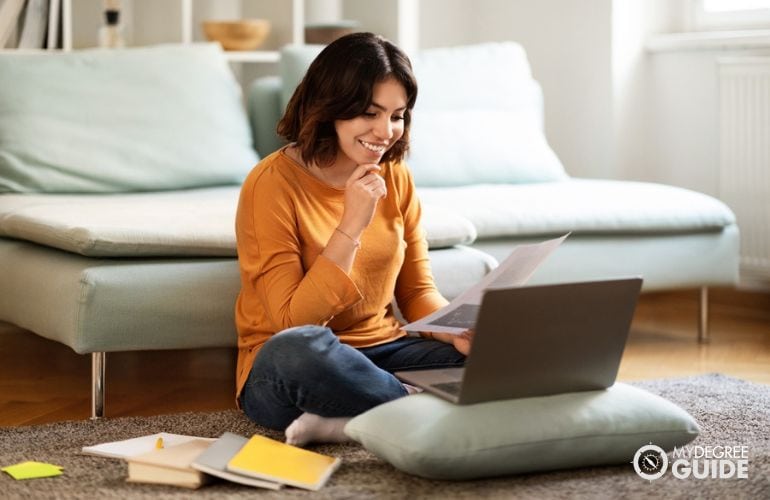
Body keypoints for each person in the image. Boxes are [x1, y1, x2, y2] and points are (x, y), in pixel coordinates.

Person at [234, 32, 473, 447]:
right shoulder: (270, 184)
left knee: (504, 357)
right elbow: (293, 324)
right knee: (296, 350)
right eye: (369, 113)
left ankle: (350, 420)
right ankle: (419, 407)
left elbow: (417, 292)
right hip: (297, 364)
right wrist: (352, 224)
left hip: (386, 353)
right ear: (330, 109)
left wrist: (454, 329)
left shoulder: (396, 175)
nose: (386, 132)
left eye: (397, 115)